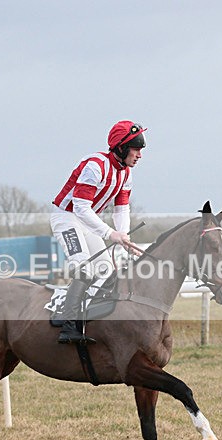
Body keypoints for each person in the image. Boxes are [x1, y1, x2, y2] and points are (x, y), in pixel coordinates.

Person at [49, 120, 146, 344]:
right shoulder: (95, 166)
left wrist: (124, 236)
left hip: (87, 221)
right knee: (84, 268)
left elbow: (122, 208)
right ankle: (68, 325)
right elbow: (81, 208)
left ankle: (88, 319)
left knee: (105, 271)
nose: (139, 155)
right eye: (136, 149)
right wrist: (111, 234)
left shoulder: (126, 174)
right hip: (67, 218)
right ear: (121, 148)